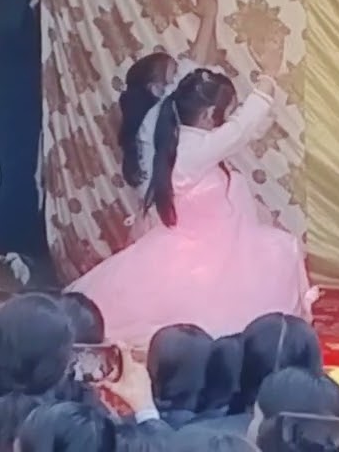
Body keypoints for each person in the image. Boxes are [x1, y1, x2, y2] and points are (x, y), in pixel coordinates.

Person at [68, 43, 313, 345]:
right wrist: (268, 76)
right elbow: (240, 128)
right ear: (209, 114)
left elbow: (244, 130)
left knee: (280, 247)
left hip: (221, 245)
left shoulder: (188, 140)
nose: (230, 117)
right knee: (279, 252)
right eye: (228, 111)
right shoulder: (194, 149)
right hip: (203, 254)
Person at [118, 0, 219, 237]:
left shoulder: (155, 119)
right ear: (155, 88)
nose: (179, 82)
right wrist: (209, 14)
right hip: (165, 223)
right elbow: (194, 66)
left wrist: (211, 18)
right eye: (173, 77)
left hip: (164, 217)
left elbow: (205, 63)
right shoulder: (154, 118)